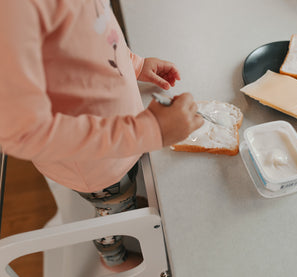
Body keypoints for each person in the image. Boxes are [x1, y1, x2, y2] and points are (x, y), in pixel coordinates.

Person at [0, 0, 204, 272]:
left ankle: (125, 201)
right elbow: (24, 132)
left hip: (119, 143)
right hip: (95, 164)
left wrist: (135, 64)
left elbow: (93, 39)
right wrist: (149, 130)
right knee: (111, 210)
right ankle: (112, 257)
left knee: (124, 191)